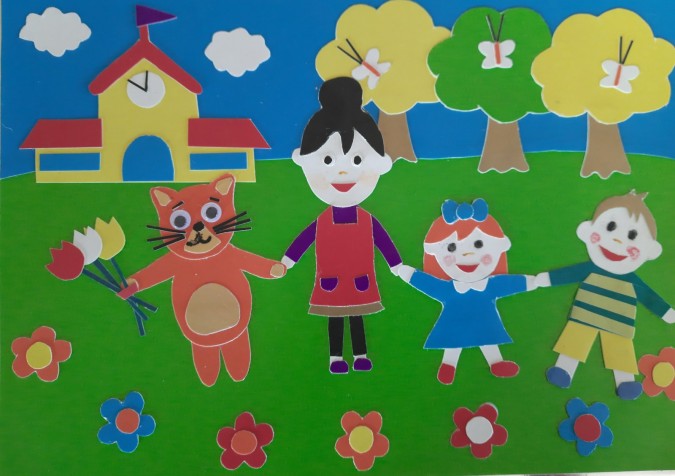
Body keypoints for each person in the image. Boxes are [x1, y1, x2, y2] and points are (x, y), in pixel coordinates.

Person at [281, 77, 402, 374]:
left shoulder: (366, 220)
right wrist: (287, 260)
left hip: (359, 279)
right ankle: (336, 358)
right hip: (332, 281)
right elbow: (304, 239)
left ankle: (360, 355)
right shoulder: (323, 220)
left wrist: (396, 264)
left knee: (357, 318)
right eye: (328, 160)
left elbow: (382, 239)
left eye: (358, 159)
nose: (344, 172)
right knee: (335, 318)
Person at [536, 191, 674, 400]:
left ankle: (625, 382)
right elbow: (570, 273)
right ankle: (563, 370)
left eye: (632, 235)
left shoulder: (631, 280)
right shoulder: (591, 268)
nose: (617, 240)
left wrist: (666, 312)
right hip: (585, 315)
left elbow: (648, 296)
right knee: (575, 340)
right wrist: (547, 278)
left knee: (619, 349)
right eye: (610, 227)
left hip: (618, 322)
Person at [398, 199, 536, 384]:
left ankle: (496, 363)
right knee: (453, 338)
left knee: (486, 336)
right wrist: (408, 274)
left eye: (478, 244)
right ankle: (448, 365)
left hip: (484, 319)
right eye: (452, 247)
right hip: (454, 319)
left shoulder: (489, 285)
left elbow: (509, 284)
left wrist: (533, 282)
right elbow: (429, 284)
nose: (467, 255)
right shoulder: (449, 289)